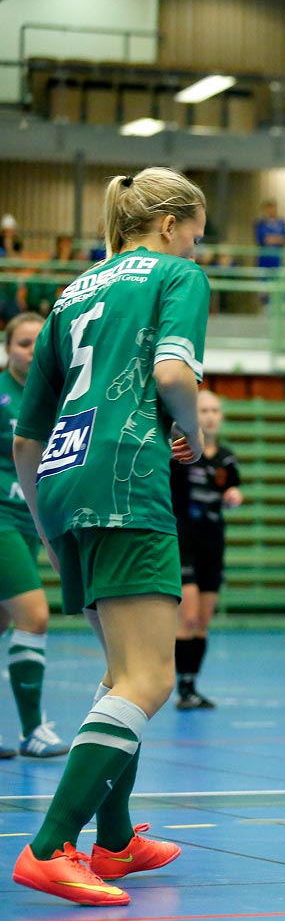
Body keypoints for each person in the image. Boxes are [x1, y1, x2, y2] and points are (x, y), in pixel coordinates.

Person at [10, 166, 210, 906]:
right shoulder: (176, 275)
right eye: (196, 230)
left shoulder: (69, 294)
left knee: (118, 669)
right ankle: (49, 845)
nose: (199, 244)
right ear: (169, 226)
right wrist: (191, 437)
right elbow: (171, 375)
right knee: (150, 677)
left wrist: (46, 520)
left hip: (64, 479)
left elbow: (26, 441)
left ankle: (117, 840)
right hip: (126, 473)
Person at [0, 312, 69, 759]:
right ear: (8, 348)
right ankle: (32, 731)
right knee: (35, 614)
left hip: (30, 521)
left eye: (37, 343)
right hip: (1, 519)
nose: (31, 349)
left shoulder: (55, 393)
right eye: (23, 343)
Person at [170, 389, 242, 710]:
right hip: (184, 542)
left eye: (215, 410)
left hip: (213, 543)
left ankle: (192, 685)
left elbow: (231, 487)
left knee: (202, 620)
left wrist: (234, 496)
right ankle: (182, 687)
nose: (210, 416)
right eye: (203, 410)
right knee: (186, 617)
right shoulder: (181, 453)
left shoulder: (227, 458)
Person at [254, 200, 285, 311]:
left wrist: (275, 239)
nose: (271, 211)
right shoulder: (260, 224)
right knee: (264, 289)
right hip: (264, 261)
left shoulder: (282, 223)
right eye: (269, 208)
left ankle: (283, 307)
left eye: (273, 208)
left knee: (280, 286)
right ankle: (266, 307)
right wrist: (278, 239)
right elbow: (264, 239)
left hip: (278, 261)